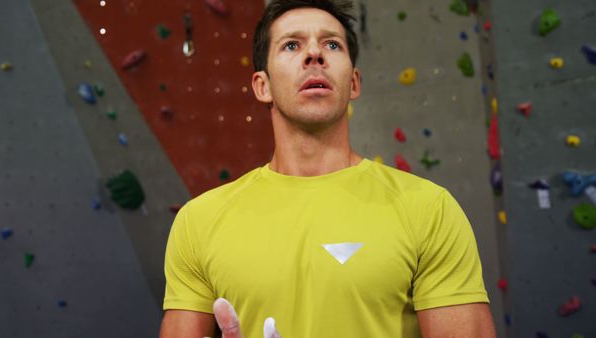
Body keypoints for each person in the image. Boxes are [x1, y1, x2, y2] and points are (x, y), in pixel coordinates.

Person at [159, 0, 496, 337]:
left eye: (331, 44)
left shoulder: (429, 209)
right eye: (292, 45)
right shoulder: (200, 221)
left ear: (353, 82)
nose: (314, 55)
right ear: (263, 86)